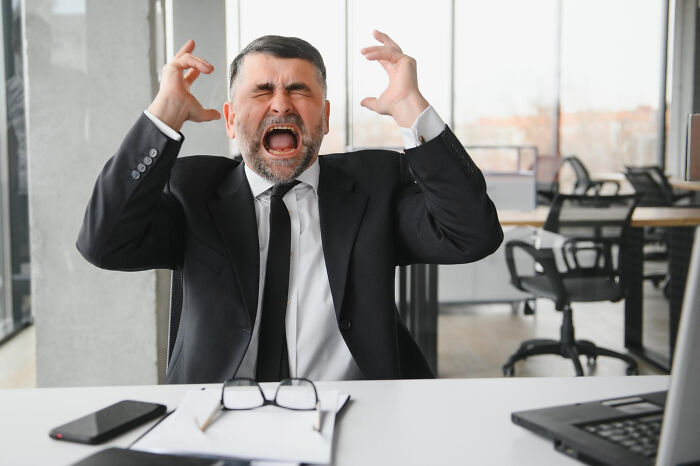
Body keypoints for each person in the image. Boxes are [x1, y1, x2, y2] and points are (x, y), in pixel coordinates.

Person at [77, 31, 503, 384]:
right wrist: (166, 113)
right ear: (230, 119)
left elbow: (472, 235)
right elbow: (104, 243)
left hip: (355, 414)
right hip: (218, 417)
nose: (281, 104)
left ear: (325, 116)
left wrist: (413, 108)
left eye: (298, 90)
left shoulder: (375, 184)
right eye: (262, 91)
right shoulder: (193, 191)